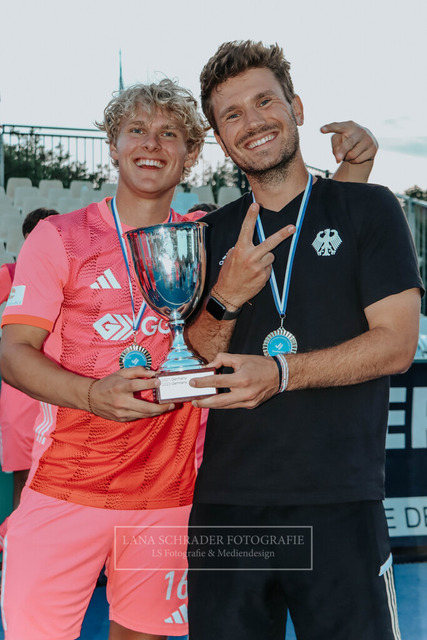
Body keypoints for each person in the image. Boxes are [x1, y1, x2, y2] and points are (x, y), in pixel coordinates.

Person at [0, 78, 378, 640]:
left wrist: (354, 169)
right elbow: (12, 352)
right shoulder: (61, 237)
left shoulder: (208, 239)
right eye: (136, 130)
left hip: (168, 501)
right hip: (65, 490)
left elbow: (299, 232)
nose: (151, 144)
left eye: (170, 133)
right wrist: (90, 395)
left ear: (192, 153)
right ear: (113, 144)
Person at [185, 41, 424, 640]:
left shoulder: (369, 208)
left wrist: (282, 373)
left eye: (264, 101)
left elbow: (397, 344)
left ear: (295, 107)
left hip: (339, 499)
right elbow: (202, 349)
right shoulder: (208, 232)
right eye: (232, 114)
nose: (252, 122)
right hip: (227, 506)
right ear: (220, 138)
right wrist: (225, 296)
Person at [0, 207, 58, 551]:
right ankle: (16, 546)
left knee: (55, 470)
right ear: (26, 239)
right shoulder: (10, 273)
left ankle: (52, 546)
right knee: (24, 471)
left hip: (61, 382)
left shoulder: (74, 274)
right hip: (22, 386)